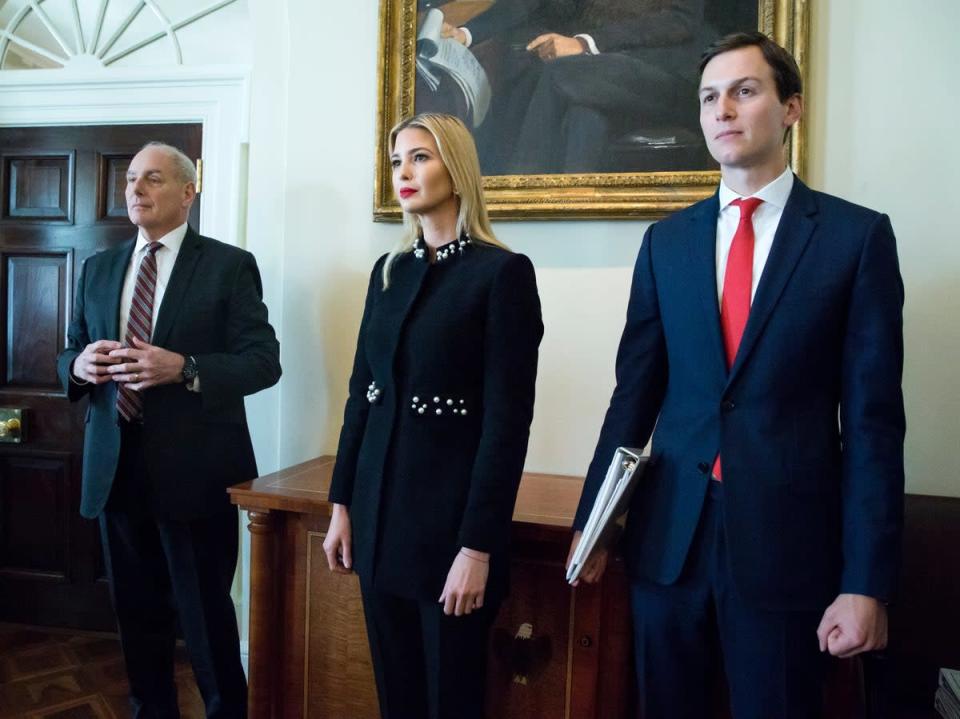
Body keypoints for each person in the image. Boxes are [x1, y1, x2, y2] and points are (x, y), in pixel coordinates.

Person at [568, 32, 905, 718]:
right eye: (709, 97)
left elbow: (873, 426)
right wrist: (593, 521)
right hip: (670, 543)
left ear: (790, 109)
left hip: (788, 551)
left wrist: (866, 581)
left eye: (744, 91)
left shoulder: (855, 238)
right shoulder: (666, 241)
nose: (722, 109)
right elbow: (633, 397)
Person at [324, 112, 543, 719]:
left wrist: (477, 547)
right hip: (378, 520)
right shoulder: (389, 272)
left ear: (457, 166)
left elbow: (507, 425)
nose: (405, 172)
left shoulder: (502, 274)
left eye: (420, 157)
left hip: (449, 533)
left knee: (451, 700)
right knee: (397, 698)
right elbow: (361, 393)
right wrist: (342, 503)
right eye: (397, 161)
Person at [57, 141, 281, 718]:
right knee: (136, 616)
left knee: (205, 617)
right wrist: (78, 367)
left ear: (187, 191)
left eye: (151, 179)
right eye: (131, 179)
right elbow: (70, 350)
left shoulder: (229, 265)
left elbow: (263, 361)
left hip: (196, 474)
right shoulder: (100, 267)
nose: (135, 190)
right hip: (115, 470)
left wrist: (186, 367)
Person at [443, 0, 704, 173]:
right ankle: (564, 228)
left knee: (558, 73)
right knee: (585, 119)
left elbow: (679, 21)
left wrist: (584, 43)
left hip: (667, 76)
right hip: (593, 81)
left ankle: (517, 197)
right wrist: (466, 33)